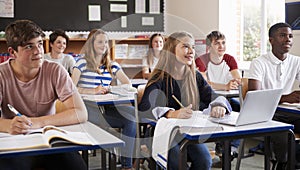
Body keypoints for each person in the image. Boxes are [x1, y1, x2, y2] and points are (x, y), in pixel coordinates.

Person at [0, 20, 88, 169]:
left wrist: (38, 122)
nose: (38, 51)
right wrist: (8, 125)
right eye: (29, 46)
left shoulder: (55, 71)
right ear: (12, 52)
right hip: (15, 141)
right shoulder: (1, 74)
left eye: (40, 44)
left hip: (48, 141)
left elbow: (81, 113)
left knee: (77, 166)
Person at [138, 31, 232, 170]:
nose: (191, 51)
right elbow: (145, 109)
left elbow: (214, 97)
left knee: (204, 161)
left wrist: (219, 106)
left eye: (193, 47)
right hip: (162, 133)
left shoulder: (195, 76)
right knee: (177, 163)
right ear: (171, 51)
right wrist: (171, 114)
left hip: (188, 131)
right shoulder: (159, 77)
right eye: (185, 47)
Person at [71, 29, 136, 170]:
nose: (104, 45)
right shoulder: (81, 62)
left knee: (132, 118)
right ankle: (107, 152)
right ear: (91, 44)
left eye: (106, 42)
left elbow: (128, 85)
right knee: (105, 125)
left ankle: (127, 165)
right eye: (100, 42)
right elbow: (71, 88)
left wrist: (111, 89)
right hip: (87, 109)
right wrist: (92, 91)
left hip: (107, 106)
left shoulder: (111, 65)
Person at [248, 22, 300, 170]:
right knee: (285, 136)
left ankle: (292, 164)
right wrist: (285, 97)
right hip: (266, 113)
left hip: (288, 112)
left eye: (290, 36)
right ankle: (282, 164)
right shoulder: (259, 63)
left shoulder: (296, 61)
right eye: (282, 35)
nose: (288, 39)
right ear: (271, 40)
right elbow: (254, 97)